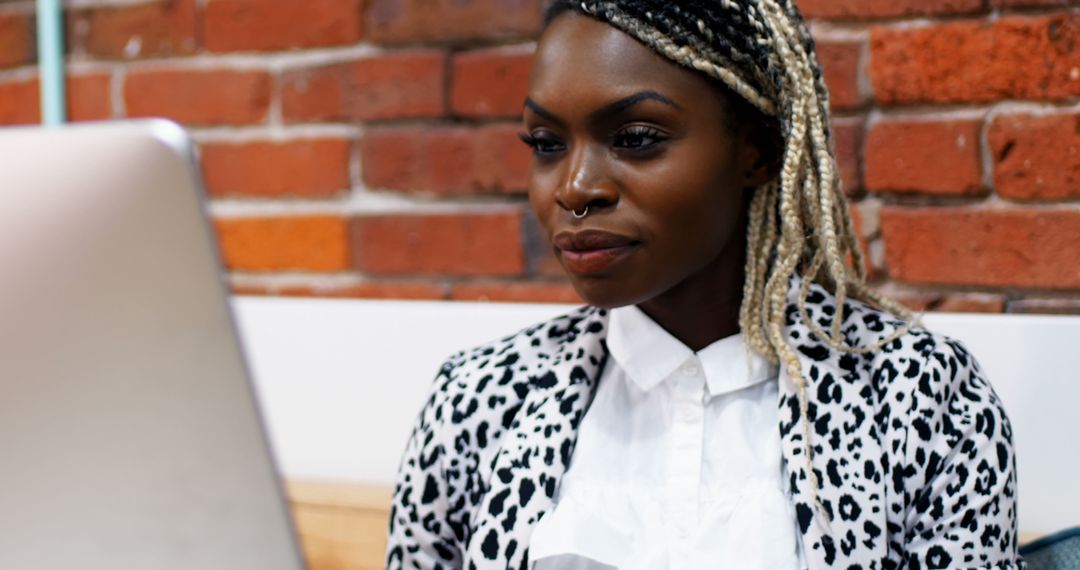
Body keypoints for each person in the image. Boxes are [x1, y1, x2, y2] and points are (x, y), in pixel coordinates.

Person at [386, 1, 1022, 568]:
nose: (575, 188)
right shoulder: (479, 401)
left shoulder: (922, 399)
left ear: (757, 151)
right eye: (547, 144)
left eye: (636, 138)